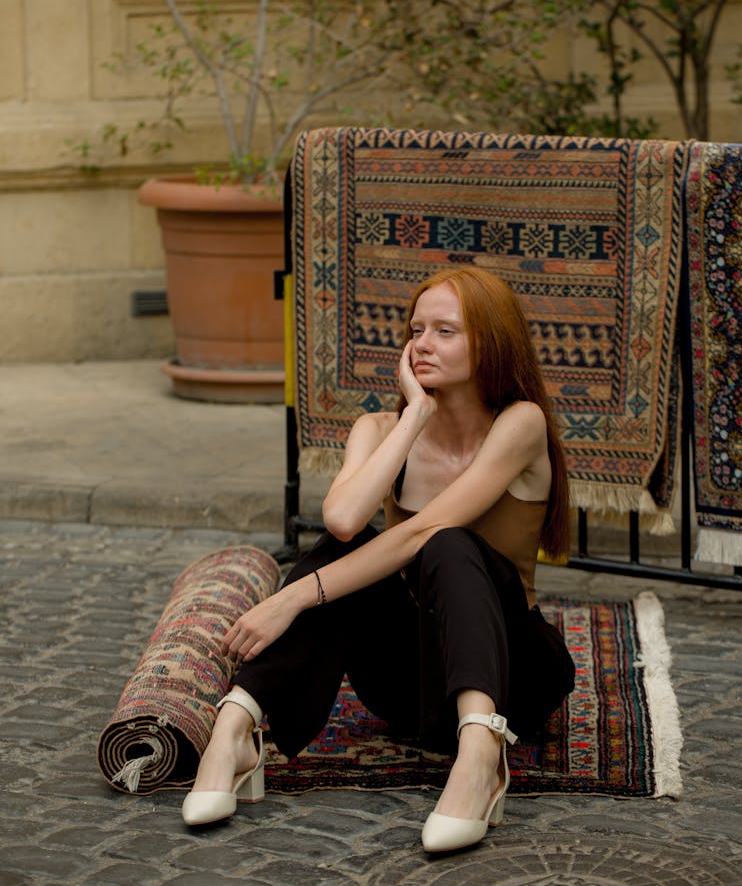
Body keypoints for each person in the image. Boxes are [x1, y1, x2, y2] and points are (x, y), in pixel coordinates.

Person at [181, 266, 575, 853]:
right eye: (416, 329)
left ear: (491, 340)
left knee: (444, 540)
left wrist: (288, 598)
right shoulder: (379, 428)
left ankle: (479, 756)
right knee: (347, 546)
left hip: (515, 673)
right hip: (413, 688)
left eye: (446, 330)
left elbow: (426, 533)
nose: (422, 344)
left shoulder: (520, 422)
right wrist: (413, 415)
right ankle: (234, 729)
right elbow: (341, 523)